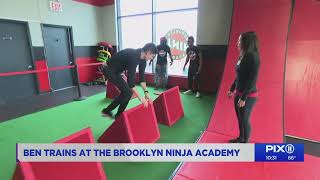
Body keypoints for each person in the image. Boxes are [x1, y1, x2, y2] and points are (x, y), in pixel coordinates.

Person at [101, 43, 157, 118]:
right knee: (128, 92)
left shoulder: (143, 59)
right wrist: (140, 98)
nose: (152, 59)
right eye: (152, 56)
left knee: (127, 92)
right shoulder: (134, 57)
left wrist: (146, 93)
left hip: (116, 71)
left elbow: (142, 78)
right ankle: (117, 116)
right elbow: (130, 82)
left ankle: (108, 112)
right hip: (108, 69)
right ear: (149, 52)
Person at [228, 32, 260, 143]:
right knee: (240, 119)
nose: (237, 42)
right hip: (239, 93)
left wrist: (244, 98)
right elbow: (239, 75)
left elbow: (252, 80)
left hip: (249, 96)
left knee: (244, 120)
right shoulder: (243, 55)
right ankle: (241, 138)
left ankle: (245, 142)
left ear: (246, 42)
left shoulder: (253, 57)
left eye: (239, 40)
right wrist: (232, 89)